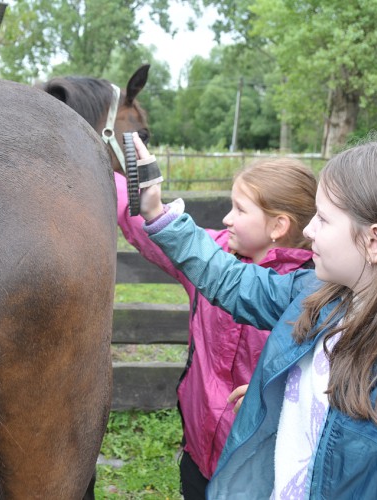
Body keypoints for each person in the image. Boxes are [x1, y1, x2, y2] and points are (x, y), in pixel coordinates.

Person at [132, 134, 377, 498]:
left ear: (374, 240)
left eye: (323, 218)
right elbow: (232, 280)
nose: (309, 229)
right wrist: (156, 212)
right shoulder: (317, 299)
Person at [115, 149, 317, 497]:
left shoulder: (311, 293)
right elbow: (154, 229)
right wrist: (105, 166)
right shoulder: (211, 256)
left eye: (240, 209)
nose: (227, 218)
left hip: (256, 469)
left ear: (278, 226)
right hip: (198, 451)